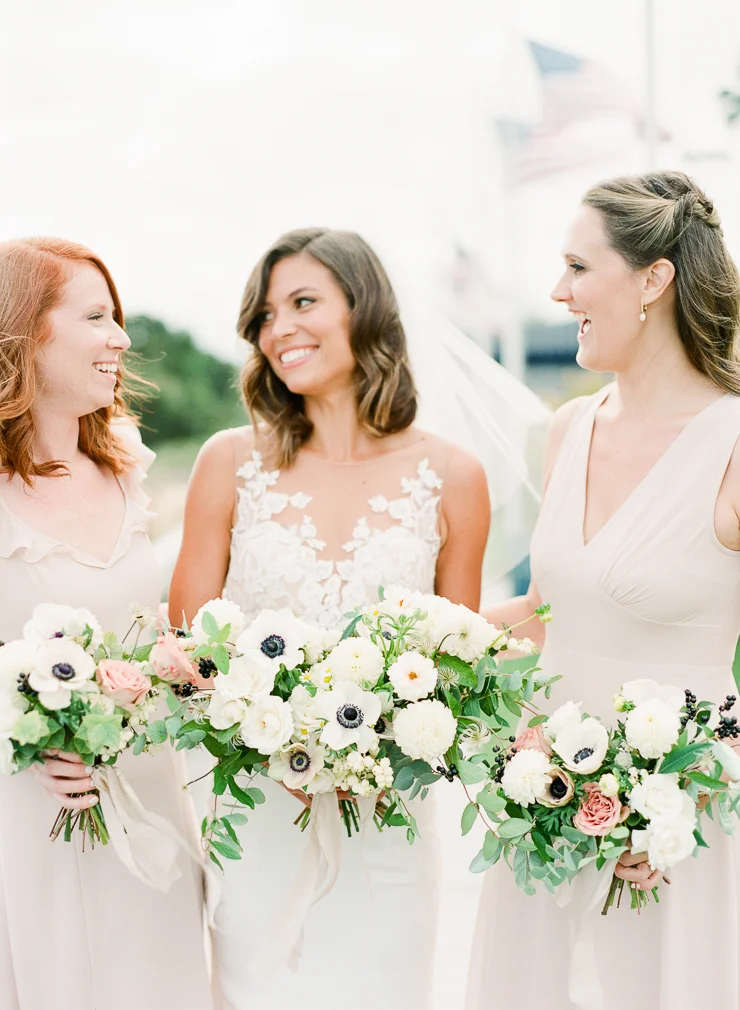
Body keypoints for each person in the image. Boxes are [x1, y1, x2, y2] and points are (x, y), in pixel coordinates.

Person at [169, 227, 491, 1010]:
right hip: (258, 820)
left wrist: (376, 734)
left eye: (303, 302)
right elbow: (184, 654)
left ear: (364, 307)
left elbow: (455, 670)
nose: (280, 329)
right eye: (265, 316)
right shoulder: (227, 463)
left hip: (387, 824)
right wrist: (270, 721)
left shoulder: (451, 476)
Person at [467, 171, 740, 1010]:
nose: (559, 291)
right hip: (543, 808)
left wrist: (689, 790)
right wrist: (419, 651)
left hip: (681, 829)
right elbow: (548, 615)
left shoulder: (732, 442)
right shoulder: (569, 429)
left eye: (579, 268)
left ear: (654, 278)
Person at [0, 238, 211, 1010]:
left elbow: (145, 625)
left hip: (150, 791)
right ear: (25, 330)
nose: (122, 338)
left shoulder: (126, 464)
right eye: (96, 316)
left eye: (117, 316)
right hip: (34, 806)